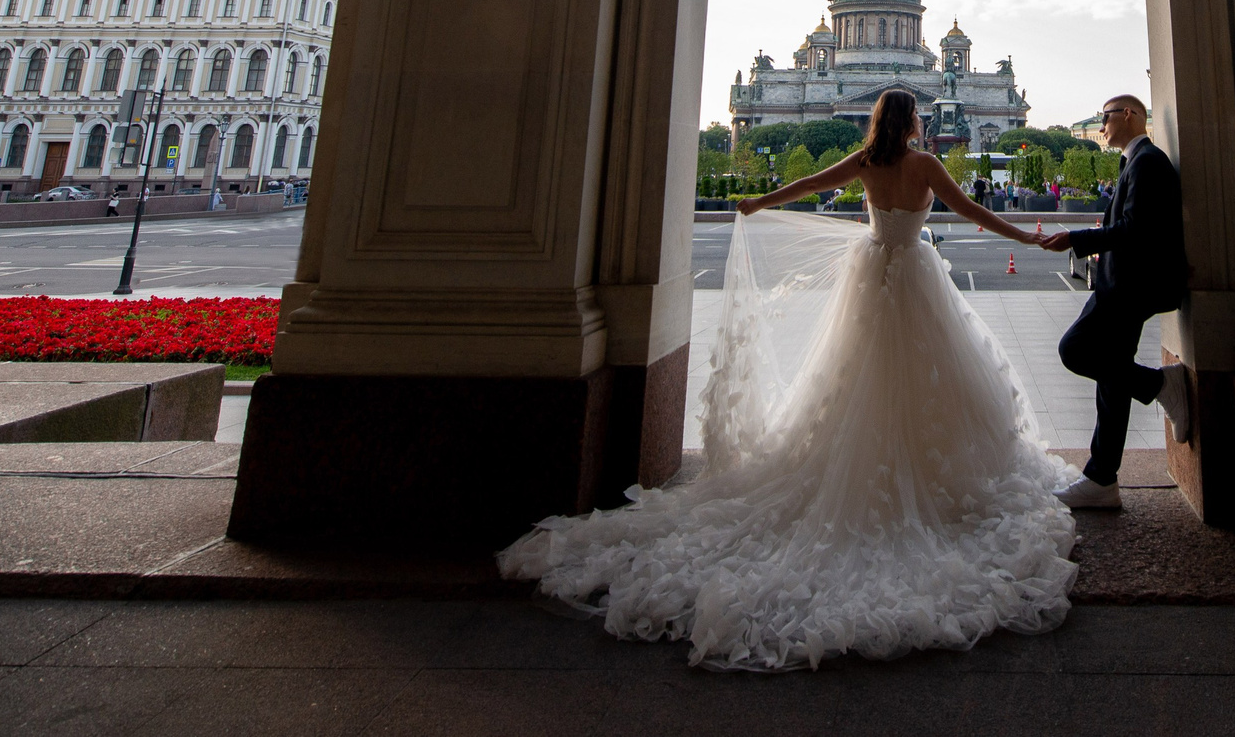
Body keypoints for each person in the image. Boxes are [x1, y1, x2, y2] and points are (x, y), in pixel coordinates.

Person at [498, 89, 1075, 670]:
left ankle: (859, 459)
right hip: (915, 279)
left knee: (856, 375)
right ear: (911, 121)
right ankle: (929, 472)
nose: (924, 121)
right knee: (925, 375)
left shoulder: (866, 162)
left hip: (873, 277)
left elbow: (810, 186)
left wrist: (759, 203)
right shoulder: (923, 163)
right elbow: (971, 211)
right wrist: (1026, 236)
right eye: (919, 116)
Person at [1039, 94, 1192, 510]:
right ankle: (1102, 479)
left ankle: (1160, 385)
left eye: (1105, 117)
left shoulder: (1147, 162)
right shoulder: (1136, 161)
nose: (1102, 125)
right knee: (1112, 380)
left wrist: (1076, 239)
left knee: (1075, 350)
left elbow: (1134, 230)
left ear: (1129, 115)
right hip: (1123, 284)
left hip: (1128, 287)